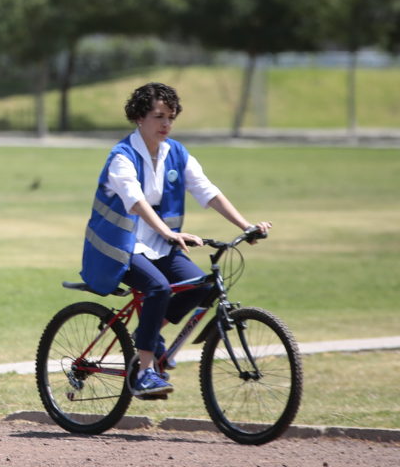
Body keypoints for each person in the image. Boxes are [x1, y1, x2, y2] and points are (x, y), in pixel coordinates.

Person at [79, 82, 271, 398]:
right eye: (159, 116)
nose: (166, 124)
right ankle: (143, 373)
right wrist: (168, 232)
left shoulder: (177, 154)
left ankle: (147, 332)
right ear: (139, 118)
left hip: (158, 246)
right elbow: (135, 200)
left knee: (202, 285)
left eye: (171, 117)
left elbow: (207, 191)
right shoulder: (122, 157)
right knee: (158, 288)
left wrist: (246, 226)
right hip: (119, 247)